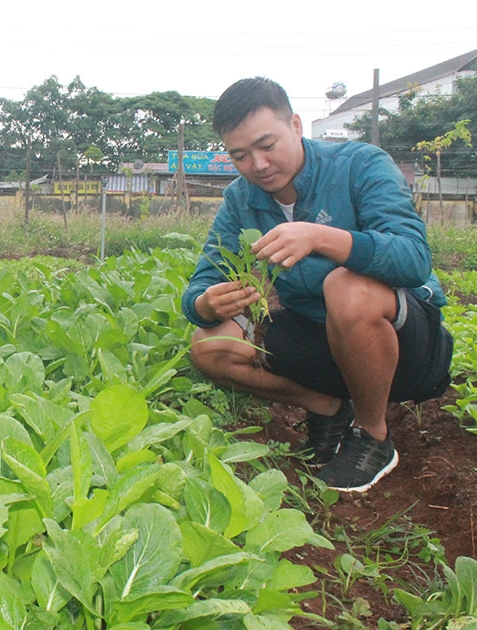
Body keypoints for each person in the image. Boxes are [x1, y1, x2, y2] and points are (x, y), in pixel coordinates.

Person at [181, 77, 453, 493]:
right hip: (324, 342)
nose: (258, 164)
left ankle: (374, 435)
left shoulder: (360, 164)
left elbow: (413, 259)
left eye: (267, 145)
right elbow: (203, 279)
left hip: (407, 348)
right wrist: (205, 303)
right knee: (209, 344)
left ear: (295, 124)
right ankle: (326, 406)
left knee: (347, 287)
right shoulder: (241, 199)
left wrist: (322, 238)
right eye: (240, 155)